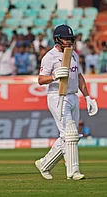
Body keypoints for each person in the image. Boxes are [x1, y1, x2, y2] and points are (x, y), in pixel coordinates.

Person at [35, 25, 98, 180]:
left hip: (73, 96)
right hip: (57, 96)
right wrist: (54, 76)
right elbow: (41, 80)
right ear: (57, 40)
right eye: (66, 39)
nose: (69, 42)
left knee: (69, 136)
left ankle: (44, 164)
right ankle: (73, 171)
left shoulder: (74, 55)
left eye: (71, 39)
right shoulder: (49, 56)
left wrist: (88, 97)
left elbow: (80, 77)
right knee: (69, 133)